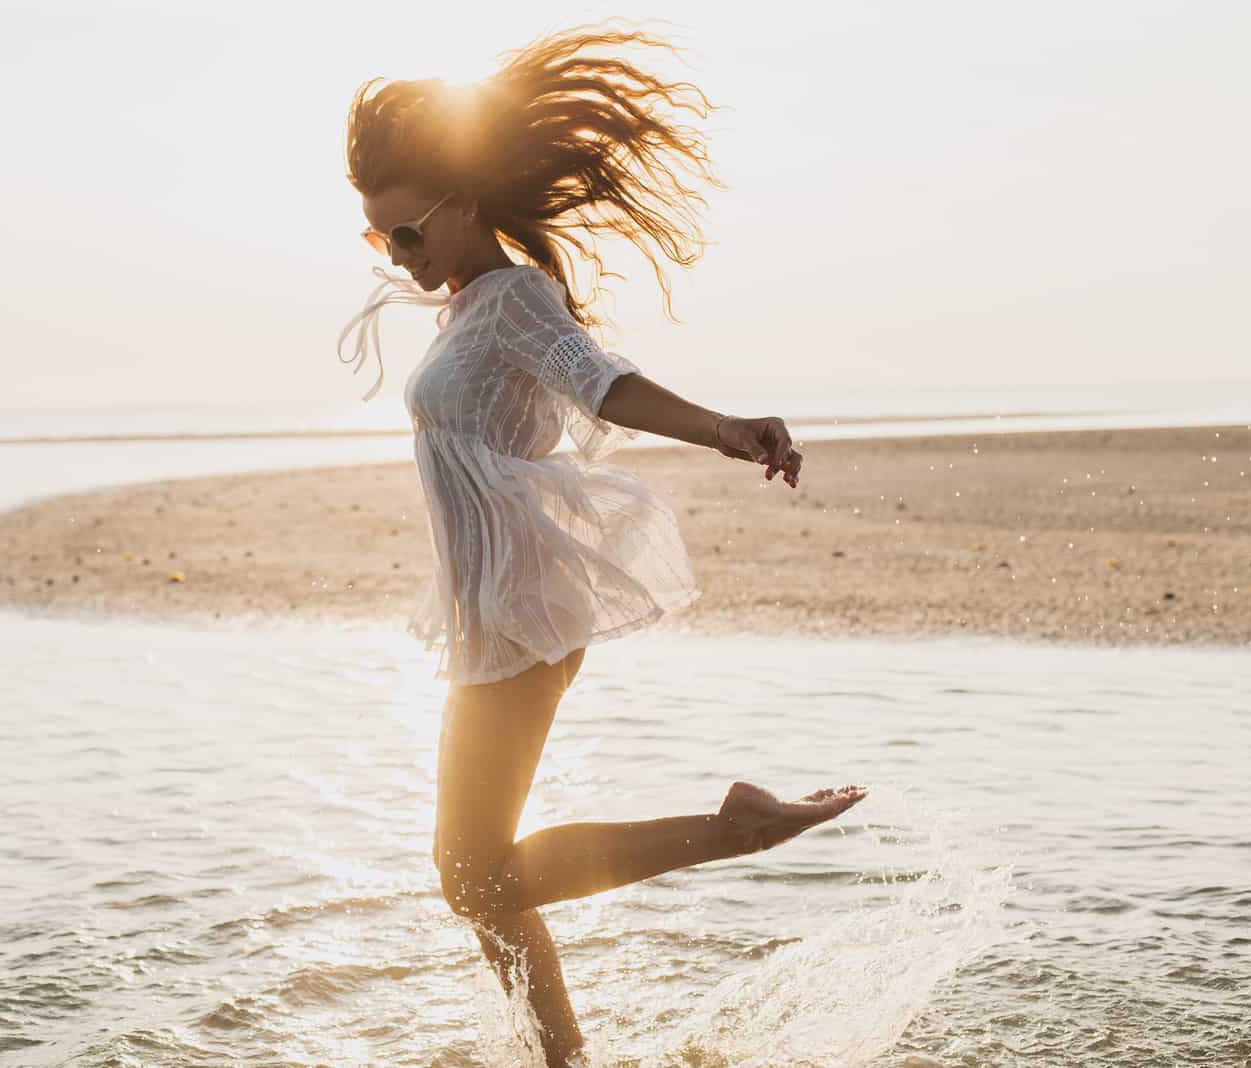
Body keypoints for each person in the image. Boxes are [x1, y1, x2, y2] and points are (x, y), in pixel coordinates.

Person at [338, 21, 867, 1066]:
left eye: (406, 234)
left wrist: (725, 430)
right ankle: (565, 1057)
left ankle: (735, 828)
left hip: (523, 615)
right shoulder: (470, 310)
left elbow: (602, 381)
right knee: (482, 880)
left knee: (471, 878)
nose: (400, 258)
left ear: (461, 203)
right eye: (379, 243)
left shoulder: (516, 299)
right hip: (485, 618)